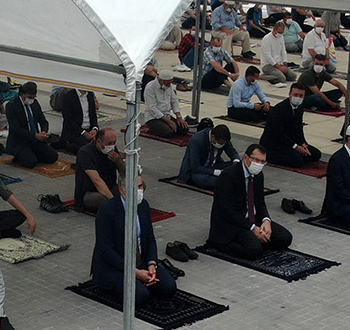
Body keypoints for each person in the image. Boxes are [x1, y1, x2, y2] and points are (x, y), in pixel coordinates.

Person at [91, 174, 175, 306]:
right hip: (116, 266)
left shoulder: (143, 206)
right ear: (122, 189)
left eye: (140, 186)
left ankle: (143, 280)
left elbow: (150, 239)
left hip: (140, 262)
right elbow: (105, 250)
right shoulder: (107, 211)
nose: (139, 190)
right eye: (134, 187)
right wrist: (134, 272)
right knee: (139, 296)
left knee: (168, 287)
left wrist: (151, 264)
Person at [207, 144, 293, 259]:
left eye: (263, 162)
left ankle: (257, 239)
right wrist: (252, 228)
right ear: (246, 158)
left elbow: (260, 202)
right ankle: (220, 243)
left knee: (285, 238)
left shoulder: (258, 175)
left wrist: (266, 220)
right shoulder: (228, 176)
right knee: (254, 251)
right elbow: (227, 211)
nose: (259, 164)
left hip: (253, 219)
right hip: (233, 223)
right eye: (257, 160)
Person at [260, 83, 321, 168]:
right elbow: (278, 134)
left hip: (291, 140)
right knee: (297, 161)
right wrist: (296, 147)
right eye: (295, 95)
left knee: (316, 155)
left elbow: (299, 128)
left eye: (301, 96)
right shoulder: (279, 110)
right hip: (275, 143)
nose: (298, 98)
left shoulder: (300, 107)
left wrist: (303, 143)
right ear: (289, 94)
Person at [6, 81, 58, 167]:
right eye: (30, 97)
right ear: (22, 94)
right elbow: (15, 129)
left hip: (35, 140)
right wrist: (34, 135)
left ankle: (31, 154)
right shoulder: (11, 106)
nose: (32, 99)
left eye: (33, 97)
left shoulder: (35, 103)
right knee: (31, 163)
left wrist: (44, 131)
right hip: (20, 141)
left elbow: (43, 121)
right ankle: (21, 156)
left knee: (52, 157)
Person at [178, 123, 239, 191]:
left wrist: (236, 162)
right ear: (213, 137)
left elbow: (232, 152)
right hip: (198, 170)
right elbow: (195, 167)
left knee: (238, 166)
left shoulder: (223, 138)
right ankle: (229, 181)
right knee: (202, 180)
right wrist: (217, 172)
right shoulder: (197, 140)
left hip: (215, 165)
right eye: (220, 143)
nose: (222, 145)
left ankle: (228, 180)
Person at [74, 128, 122, 213]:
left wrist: (118, 161)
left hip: (110, 186)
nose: (112, 145)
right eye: (109, 143)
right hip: (90, 192)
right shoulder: (85, 153)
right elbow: (97, 181)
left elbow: (124, 173)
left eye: (114, 143)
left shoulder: (112, 149)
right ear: (99, 142)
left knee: (134, 189)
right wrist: (113, 201)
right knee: (102, 200)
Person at [143, 70, 189, 139]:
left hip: (167, 115)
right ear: (161, 80)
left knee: (184, 129)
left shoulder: (168, 87)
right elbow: (152, 108)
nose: (169, 85)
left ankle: (163, 126)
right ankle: (151, 129)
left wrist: (179, 117)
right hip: (153, 118)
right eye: (167, 83)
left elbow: (174, 101)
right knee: (167, 133)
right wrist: (169, 121)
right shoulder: (150, 87)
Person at [59, 86, 100, 151]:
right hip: (75, 131)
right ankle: (66, 145)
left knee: (104, 141)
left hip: (89, 130)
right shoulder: (68, 96)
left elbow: (93, 116)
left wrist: (94, 129)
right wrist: (83, 133)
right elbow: (68, 120)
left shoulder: (90, 95)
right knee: (87, 148)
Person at [257, 20, 295, 85]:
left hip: (279, 63)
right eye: (279, 32)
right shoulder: (266, 39)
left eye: (282, 33)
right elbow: (268, 56)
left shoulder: (281, 37)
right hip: (268, 65)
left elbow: (283, 51)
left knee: (293, 76)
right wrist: (279, 67)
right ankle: (261, 76)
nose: (280, 34)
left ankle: (276, 74)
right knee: (282, 79)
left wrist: (285, 63)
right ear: (274, 29)